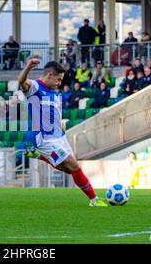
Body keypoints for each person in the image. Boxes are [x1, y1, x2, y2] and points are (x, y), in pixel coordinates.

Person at [18, 58, 107, 207]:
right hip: (45, 139)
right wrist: (28, 67)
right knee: (75, 167)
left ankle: (39, 155)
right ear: (49, 75)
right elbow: (21, 82)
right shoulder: (35, 88)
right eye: (58, 80)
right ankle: (94, 199)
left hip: (60, 137)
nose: (60, 83)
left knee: (69, 170)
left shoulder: (54, 93)